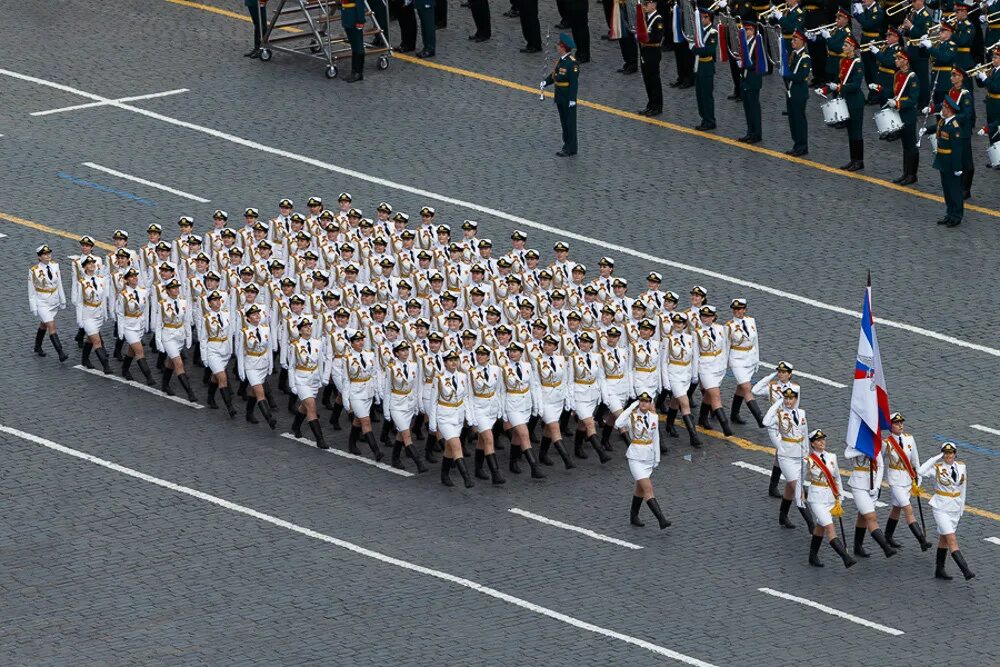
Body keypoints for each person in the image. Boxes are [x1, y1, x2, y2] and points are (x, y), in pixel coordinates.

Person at [798, 429, 857, 568]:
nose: (822, 442)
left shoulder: (832, 457)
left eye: (823, 439)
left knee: (820, 526)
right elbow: (800, 478)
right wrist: (800, 495)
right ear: (812, 444)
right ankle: (846, 558)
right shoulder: (808, 460)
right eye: (818, 440)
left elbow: (836, 477)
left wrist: (840, 495)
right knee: (829, 528)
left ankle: (812, 556)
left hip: (830, 497)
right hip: (816, 498)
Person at [917, 442, 975, 580]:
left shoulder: (961, 466)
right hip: (941, 508)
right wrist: (936, 457)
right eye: (946, 453)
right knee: (951, 539)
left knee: (944, 538)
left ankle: (939, 569)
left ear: (955, 454)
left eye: (951, 453)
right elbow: (920, 471)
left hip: (955, 508)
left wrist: (961, 508)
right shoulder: (936, 468)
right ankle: (965, 570)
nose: (948, 456)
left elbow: (963, 488)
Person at [617, 393, 671, 529]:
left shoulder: (654, 417)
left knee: (640, 489)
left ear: (651, 403)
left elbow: (656, 438)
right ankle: (661, 519)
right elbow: (618, 423)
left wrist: (657, 458)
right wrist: (631, 407)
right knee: (648, 488)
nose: (643, 404)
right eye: (641, 401)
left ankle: (633, 515)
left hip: (648, 456)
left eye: (646, 402)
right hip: (635, 456)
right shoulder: (632, 417)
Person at [763, 387, 813, 530]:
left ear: (796, 399)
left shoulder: (802, 413)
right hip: (786, 457)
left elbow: (805, 433)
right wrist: (777, 403)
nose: (788, 401)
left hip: (800, 457)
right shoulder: (778, 414)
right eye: (786, 398)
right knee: (798, 490)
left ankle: (783, 516)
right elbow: (766, 422)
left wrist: (807, 454)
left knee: (790, 488)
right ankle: (811, 524)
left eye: (791, 398)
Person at [883, 412, 932, 551]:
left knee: (896, 508)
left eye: (901, 423)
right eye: (896, 423)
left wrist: (918, 475)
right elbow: (879, 460)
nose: (900, 425)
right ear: (890, 426)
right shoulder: (886, 443)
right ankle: (922, 541)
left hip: (907, 478)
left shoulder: (910, 439)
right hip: (895, 480)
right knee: (908, 508)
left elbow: (915, 459)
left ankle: (888, 535)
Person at [843, 435, 897, 559]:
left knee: (863, 515)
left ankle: (858, 546)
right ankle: (886, 548)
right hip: (858, 484)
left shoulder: (874, 445)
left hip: (872, 485)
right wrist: (864, 448)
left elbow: (881, 465)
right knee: (871, 517)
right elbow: (847, 454)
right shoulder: (854, 446)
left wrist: (877, 486)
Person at [753, 361, 799, 497]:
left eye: (784, 372)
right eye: (779, 371)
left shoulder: (796, 388)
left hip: (788, 426)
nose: (781, 374)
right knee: (785, 452)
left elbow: (796, 407)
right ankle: (795, 485)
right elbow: (754, 390)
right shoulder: (772, 387)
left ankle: (773, 487)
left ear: (790, 374)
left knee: (781, 455)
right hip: (774, 425)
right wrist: (770, 376)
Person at [431, 349, 476, 487]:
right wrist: (433, 423)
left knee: (450, 448)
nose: (453, 362)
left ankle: (444, 475)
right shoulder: (438, 379)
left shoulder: (463, 376)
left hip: (458, 416)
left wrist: (469, 416)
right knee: (456, 445)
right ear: (444, 363)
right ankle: (466, 478)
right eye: (450, 360)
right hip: (444, 417)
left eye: (455, 360)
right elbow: (433, 402)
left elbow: (466, 397)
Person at [501, 341, 547, 478]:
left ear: (521, 353)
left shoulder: (527, 366)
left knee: (517, 434)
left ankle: (512, 462)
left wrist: (536, 405)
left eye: (515, 351)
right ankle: (534, 467)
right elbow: (502, 392)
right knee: (524, 434)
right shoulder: (503, 369)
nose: (512, 353)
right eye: (510, 351)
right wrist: (503, 412)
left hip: (525, 405)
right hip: (512, 405)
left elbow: (533, 386)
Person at [383, 341, 429, 471]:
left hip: (409, 403)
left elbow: (416, 387)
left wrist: (416, 404)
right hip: (396, 405)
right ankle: (419, 464)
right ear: (396, 353)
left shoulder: (414, 366)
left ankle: (395, 458)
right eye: (402, 350)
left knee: (401, 433)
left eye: (406, 350)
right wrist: (386, 410)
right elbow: (387, 390)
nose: (405, 352)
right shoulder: (391, 368)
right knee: (407, 435)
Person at [342, 330, 386, 461]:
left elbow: (374, 374)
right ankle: (376, 451)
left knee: (358, 419)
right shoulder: (347, 359)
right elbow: (346, 380)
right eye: (357, 341)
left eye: (362, 340)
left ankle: (351, 443)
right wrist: (346, 400)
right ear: (351, 343)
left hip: (368, 391)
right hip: (355, 393)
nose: (360, 342)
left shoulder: (370, 355)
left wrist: (377, 394)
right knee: (366, 421)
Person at [823, 35, 865, 170]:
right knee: (850, 131)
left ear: (852, 48)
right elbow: (838, 78)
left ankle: (859, 161)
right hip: (846, 100)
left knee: (856, 131)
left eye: (846, 45)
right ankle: (853, 159)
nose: (843, 47)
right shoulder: (843, 61)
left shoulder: (857, 63)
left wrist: (840, 88)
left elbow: (856, 85)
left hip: (855, 101)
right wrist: (825, 89)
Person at [661, 312, 701, 448]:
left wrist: (694, 375)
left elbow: (694, 357)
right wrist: (666, 382)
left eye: (680, 323)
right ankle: (693, 436)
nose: (677, 325)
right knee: (684, 403)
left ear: (684, 325)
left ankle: (669, 424)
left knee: (676, 401)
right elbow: (664, 362)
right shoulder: (668, 339)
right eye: (675, 322)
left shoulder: (690, 338)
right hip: (674, 374)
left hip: (686, 374)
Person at [235, 304, 278, 429]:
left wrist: (270, 364)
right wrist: (241, 371)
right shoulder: (244, 332)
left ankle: (249, 413)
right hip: (251, 365)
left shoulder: (265, 328)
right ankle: (270, 419)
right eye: (253, 314)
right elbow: (240, 353)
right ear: (248, 318)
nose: (257, 316)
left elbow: (269, 348)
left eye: (258, 314)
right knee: (260, 391)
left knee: (254, 392)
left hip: (263, 364)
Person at [694, 305, 733, 436]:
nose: (705, 318)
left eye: (708, 316)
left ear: (714, 317)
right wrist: (695, 374)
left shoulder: (722, 329)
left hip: (719, 367)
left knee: (709, 395)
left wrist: (725, 364)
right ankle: (725, 426)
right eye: (703, 316)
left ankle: (702, 418)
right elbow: (695, 355)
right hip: (705, 367)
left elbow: (726, 347)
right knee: (715, 395)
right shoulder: (697, 333)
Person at [198, 290, 239, 418]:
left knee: (216, 377)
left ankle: (210, 397)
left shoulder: (226, 315)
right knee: (222, 377)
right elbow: (203, 339)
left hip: (224, 350)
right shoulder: (206, 319)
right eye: (214, 301)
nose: (217, 302)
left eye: (218, 300)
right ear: (209, 304)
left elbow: (229, 334)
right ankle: (230, 407)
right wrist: (204, 357)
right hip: (213, 350)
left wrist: (231, 350)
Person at [882, 51, 920, 184]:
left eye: (899, 59)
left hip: (908, 113)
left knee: (911, 144)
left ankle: (912, 174)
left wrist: (898, 103)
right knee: (905, 145)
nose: (896, 61)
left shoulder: (912, 76)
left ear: (906, 61)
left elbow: (913, 99)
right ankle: (905, 173)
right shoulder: (897, 74)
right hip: (899, 112)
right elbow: (895, 92)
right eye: (896, 59)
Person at [726, 298, 765, 428]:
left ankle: (734, 414)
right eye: (735, 309)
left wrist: (757, 359)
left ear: (745, 310)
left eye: (740, 309)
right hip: (737, 360)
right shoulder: (729, 326)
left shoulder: (750, 321)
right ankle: (760, 419)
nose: (737, 311)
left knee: (741, 387)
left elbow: (755, 341)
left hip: (750, 358)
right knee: (747, 388)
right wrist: (723, 365)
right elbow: (726, 347)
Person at [541, 33, 581, 157]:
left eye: (559, 45)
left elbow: (574, 83)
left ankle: (570, 147)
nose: (557, 47)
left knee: (570, 123)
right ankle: (567, 145)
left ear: (563, 47)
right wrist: (546, 82)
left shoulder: (572, 64)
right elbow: (555, 75)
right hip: (559, 96)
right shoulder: (560, 61)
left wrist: (572, 99)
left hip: (567, 97)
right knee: (564, 122)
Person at [28, 244, 69, 363]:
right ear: (39, 257)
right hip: (42, 302)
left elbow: (59, 283)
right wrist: (33, 307)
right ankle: (60, 352)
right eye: (45, 254)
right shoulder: (34, 271)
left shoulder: (55, 266)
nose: (48, 256)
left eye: (49, 254)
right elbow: (31, 291)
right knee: (51, 325)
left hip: (54, 300)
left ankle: (37, 346)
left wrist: (63, 299)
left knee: (44, 324)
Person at [116, 267, 156, 386]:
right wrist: (121, 331)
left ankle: (124, 369)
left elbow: (145, 310)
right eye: (132, 276)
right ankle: (148, 377)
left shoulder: (142, 291)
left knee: (132, 351)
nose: (135, 278)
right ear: (127, 279)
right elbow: (120, 314)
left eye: (136, 276)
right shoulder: (123, 295)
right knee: (139, 350)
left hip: (139, 325)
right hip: (129, 326)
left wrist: (146, 325)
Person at [76, 256, 114, 375]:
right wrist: (80, 320)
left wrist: (105, 314)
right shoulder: (81, 283)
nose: (92, 265)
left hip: (98, 314)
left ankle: (84, 359)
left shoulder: (101, 279)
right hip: (88, 315)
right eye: (88, 264)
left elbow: (103, 298)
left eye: (93, 263)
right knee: (97, 341)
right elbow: (79, 303)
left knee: (90, 338)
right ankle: (106, 366)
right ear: (84, 267)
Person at [933, 95, 965, 227]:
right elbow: (937, 129)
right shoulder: (943, 122)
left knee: (954, 190)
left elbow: (957, 150)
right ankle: (949, 213)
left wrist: (957, 167)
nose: (942, 108)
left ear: (950, 110)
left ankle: (957, 215)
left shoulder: (955, 127)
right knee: (946, 189)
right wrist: (925, 130)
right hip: (942, 161)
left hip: (951, 163)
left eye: (944, 107)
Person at [784, 30, 812, 155]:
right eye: (792, 39)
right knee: (792, 119)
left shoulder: (805, 58)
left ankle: (802, 146)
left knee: (799, 119)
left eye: (795, 40)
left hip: (799, 92)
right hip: (791, 91)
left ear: (802, 42)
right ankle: (796, 144)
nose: (792, 42)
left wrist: (787, 75)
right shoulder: (793, 54)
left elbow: (801, 76)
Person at [738, 19, 764, 144]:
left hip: (753, 79)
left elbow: (757, 62)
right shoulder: (745, 43)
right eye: (745, 29)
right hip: (745, 78)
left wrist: (744, 63)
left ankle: (756, 133)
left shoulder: (757, 43)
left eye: (747, 29)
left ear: (753, 30)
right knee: (747, 107)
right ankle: (750, 131)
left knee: (754, 107)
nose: (745, 31)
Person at [903, 0, 932, 108]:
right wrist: (905, 28)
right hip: (911, 49)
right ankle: (915, 100)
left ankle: (924, 103)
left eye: (914, 1)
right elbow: (909, 33)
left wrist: (911, 26)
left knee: (922, 79)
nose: (912, 3)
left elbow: (924, 34)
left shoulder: (926, 16)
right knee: (913, 78)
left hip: (920, 51)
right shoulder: (912, 13)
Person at [692, 9, 718, 131]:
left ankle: (710, 120)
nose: (702, 19)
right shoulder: (700, 32)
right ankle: (704, 118)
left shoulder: (712, 33)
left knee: (707, 96)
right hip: (699, 67)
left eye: (704, 17)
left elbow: (709, 50)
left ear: (709, 19)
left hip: (707, 67)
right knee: (700, 96)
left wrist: (695, 49)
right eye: (701, 17)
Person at [637, 0, 665, 116]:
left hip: (653, 53)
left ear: (653, 5)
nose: (644, 7)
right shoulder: (647, 17)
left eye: (646, 4)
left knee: (654, 80)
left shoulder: (658, 19)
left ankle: (657, 106)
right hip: (645, 52)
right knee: (647, 80)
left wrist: (644, 38)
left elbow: (657, 37)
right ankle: (650, 104)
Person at [854, 0, 884, 102]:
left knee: (873, 68)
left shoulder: (877, 11)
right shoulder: (869, 9)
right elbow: (863, 22)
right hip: (865, 39)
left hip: (873, 40)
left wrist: (860, 13)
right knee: (867, 69)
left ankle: (877, 95)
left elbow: (867, 24)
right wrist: (857, 14)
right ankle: (871, 93)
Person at [340, 0, 367, 81]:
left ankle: (358, 73)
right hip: (348, 17)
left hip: (354, 18)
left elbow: (359, 3)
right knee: (354, 46)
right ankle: (354, 71)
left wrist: (360, 20)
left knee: (358, 46)